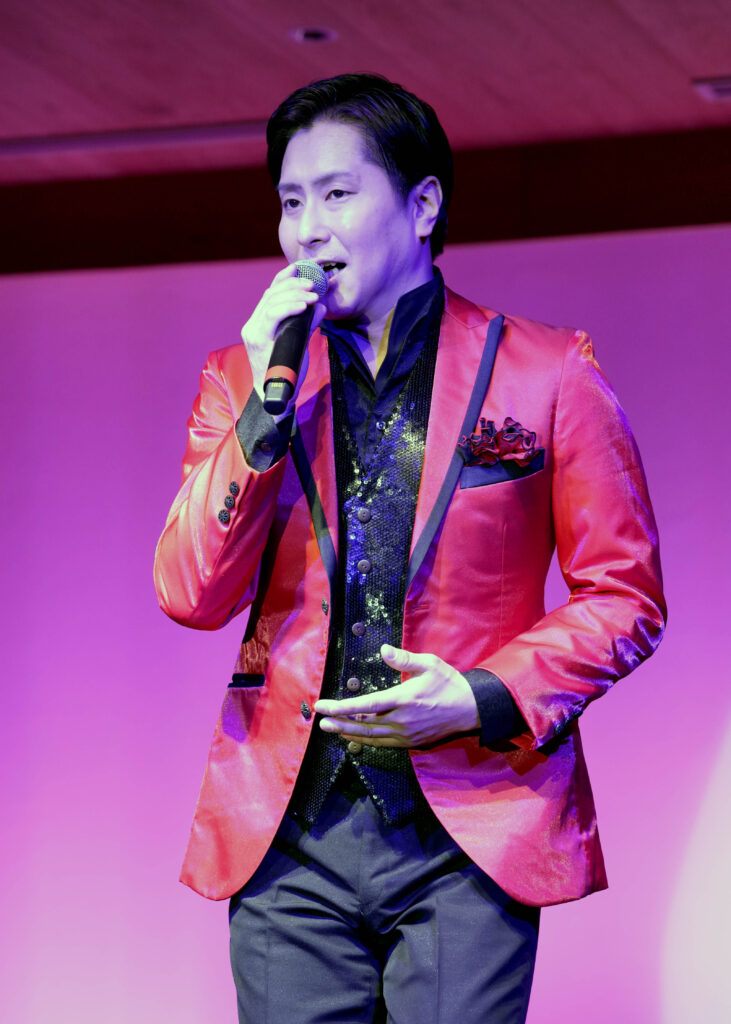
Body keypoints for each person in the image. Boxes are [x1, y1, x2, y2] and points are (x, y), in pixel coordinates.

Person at [153, 73, 665, 1024]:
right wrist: (264, 411)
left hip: (468, 824)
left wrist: (478, 695)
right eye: (291, 202)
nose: (307, 229)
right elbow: (190, 593)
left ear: (422, 206)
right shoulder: (240, 380)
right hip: (288, 834)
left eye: (337, 194)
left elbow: (624, 597)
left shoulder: (548, 372)